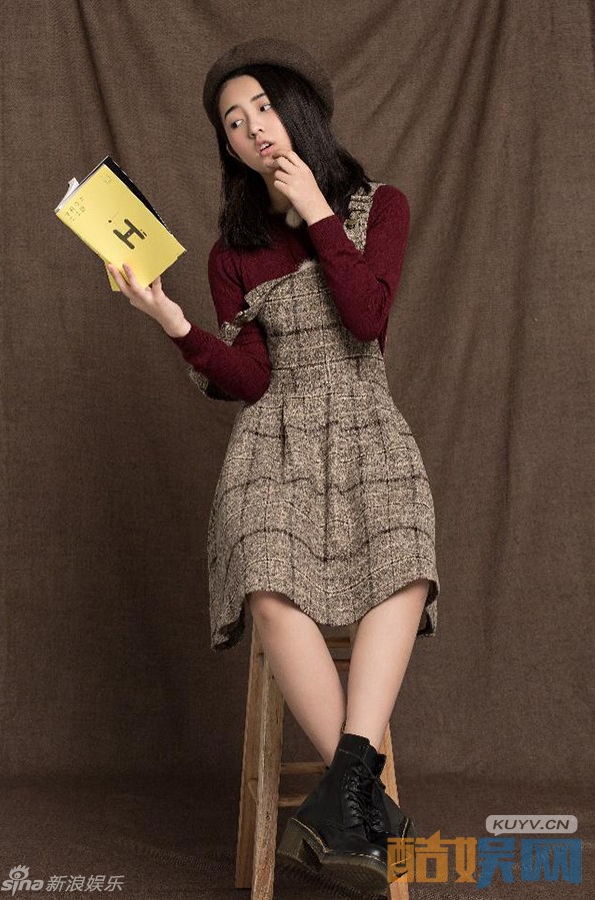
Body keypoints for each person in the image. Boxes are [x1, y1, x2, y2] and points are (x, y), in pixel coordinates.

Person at [107, 37, 440, 895]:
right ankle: (365, 807)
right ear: (225, 144)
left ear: (299, 114)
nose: (251, 127)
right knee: (266, 577)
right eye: (232, 120)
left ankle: (343, 804)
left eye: (262, 107)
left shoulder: (380, 207)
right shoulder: (231, 254)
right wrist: (172, 319)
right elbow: (251, 379)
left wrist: (319, 214)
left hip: (366, 425)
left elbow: (366, 321)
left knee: (407, 557)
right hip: (275, 444)